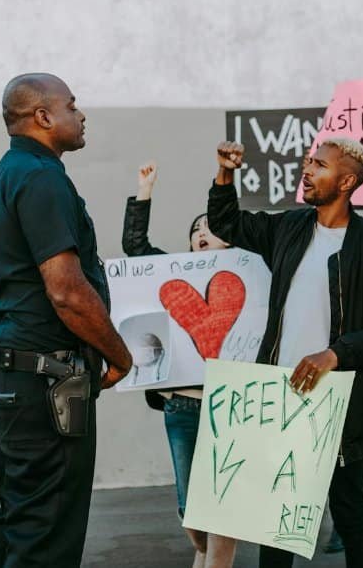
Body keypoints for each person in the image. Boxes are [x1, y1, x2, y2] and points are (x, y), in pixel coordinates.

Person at [207, 138, 363, 568]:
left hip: (339, 402)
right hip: (280, 397)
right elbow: (225, 223)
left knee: (350, 509)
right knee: (276, 515)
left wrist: (334, 354)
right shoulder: (290, 227)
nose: (307, 169)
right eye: (308, 162)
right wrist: (226, 173)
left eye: (319, 165)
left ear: (347, 181)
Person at [0, 73, 133, 568]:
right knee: (47, 537)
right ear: (43, 117)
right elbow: (66, 290)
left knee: (23, 525)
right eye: (72, 105)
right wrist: (119, 354)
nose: (81, 114)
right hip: (47, 385)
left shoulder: (6, 174)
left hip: (15, 377)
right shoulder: (41, 178)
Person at [121, 160, 237, 568]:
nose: (201, 234)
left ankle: (214, 560)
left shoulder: (253, 273)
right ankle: (202, 550)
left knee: (224, 502)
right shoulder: (174, 278)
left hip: (232, 406)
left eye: (209, 228)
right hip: (182, 405)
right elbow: (136, 248)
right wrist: (145, 191)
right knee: (190, 505)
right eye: (194, 232)